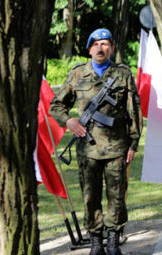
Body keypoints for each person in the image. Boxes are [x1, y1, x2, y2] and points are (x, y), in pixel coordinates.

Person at [50, 28, 142, 255]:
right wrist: (69, 121)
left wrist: (133, 144)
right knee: (91, 197)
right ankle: (95, 243)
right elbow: (56, 106)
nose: (101, 48)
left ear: (111, 47)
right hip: (88, 148)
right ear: (90, 48)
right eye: (96, 44)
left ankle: (112, 241)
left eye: (106, 44)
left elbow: (134, 111)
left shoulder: (123, 74)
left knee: (116, 196)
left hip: (117, 147)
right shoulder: (77, 74)